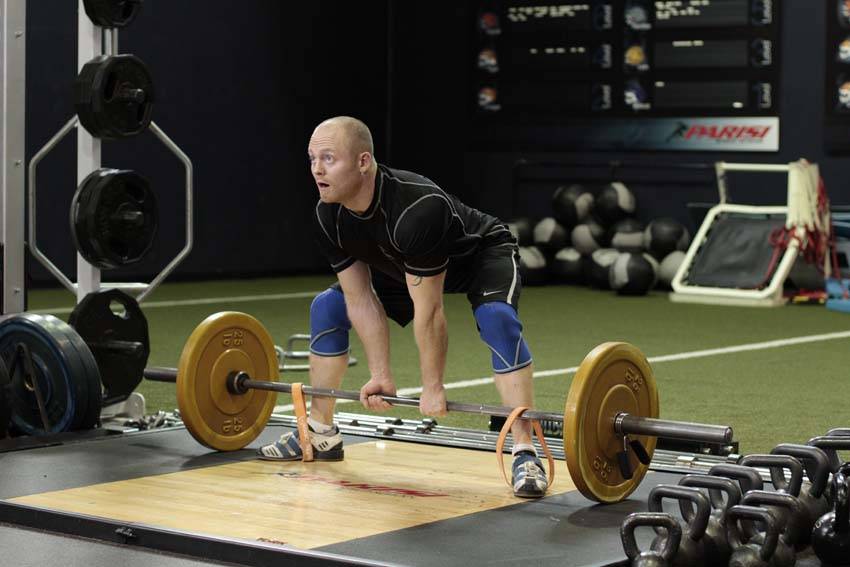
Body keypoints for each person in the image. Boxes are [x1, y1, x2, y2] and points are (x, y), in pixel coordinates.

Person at [258, 116, 547, 498]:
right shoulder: (328, 214)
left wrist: (432, 386)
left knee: (497, 320)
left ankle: (526, 450)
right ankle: (320, 432)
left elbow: (429, 313)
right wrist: (381, 375)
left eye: (328, 158)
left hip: (478, 257)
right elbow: (358, 298)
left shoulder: (417, 208)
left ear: (363, 162)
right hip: (401, 263)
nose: (316, 169)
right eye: (312, 158)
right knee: (328, 306)